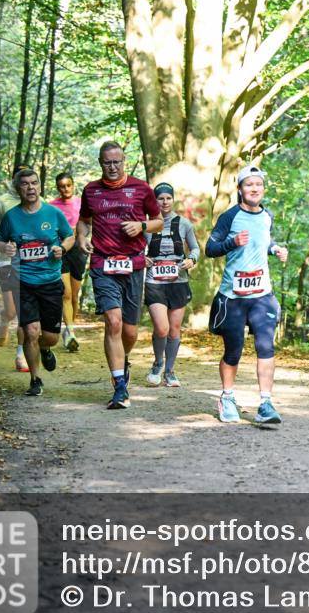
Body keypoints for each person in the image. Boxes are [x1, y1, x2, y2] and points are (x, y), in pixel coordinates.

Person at [76, 141, 161, 409]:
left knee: (130, 331)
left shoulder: (141, 189)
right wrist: (81, 237)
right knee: (112, 321)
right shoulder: (91, 190)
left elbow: (159, 221)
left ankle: (122, 359)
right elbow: (84, 220)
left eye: (117, 162)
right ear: (100, 163)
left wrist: (142, 225)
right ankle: (120, 386)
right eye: (107, 163)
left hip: (133, 265)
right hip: (103, 264)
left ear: (124, 161)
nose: (112, 167)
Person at [205, 164, 288, 424]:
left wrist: (276, 249)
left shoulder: (267, 216)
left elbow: (264, 240)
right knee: (234, 351)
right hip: (234, 297)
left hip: (262, 295)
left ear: (263, 189)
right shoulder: (230, 217)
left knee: (266, 346)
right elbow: (210, 248)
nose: (254, 189)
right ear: (240, 189)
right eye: (249, 184)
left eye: (258, 185)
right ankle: (227, 397)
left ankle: (265, 403)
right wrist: (231, 243)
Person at [0, 169, 73, 397]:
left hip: (49, 281)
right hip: (23, 281)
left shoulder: (53, 213)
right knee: (30, 331)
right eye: (25, 184)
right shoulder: (11, 216)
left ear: (40, 187)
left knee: (50, 337)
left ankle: (46, 349)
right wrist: (4, 247)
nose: (30, 187)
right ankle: (35, 379)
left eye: (34, 183)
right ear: (18, 189)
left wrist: (62, 248)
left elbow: (70, 236)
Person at [143, 183, 200, 388]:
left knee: (174, 330)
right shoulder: (147, 224)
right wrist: (143, 257)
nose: (164, 202)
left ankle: (170, 371)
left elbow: (195, 248)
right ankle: (158, 364)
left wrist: (191, 260)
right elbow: (136, 248)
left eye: (168, 198)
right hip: (154, 281)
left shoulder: (184, 224)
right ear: (154, 201)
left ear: (172, 199)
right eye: (160, 198)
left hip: (179, 281)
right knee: (161, 328)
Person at [0, 165, 29, 371]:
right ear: (14, 181)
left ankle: (21, 355)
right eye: (22, 179)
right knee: (11, 311)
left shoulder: (39, 202)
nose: (27, 184)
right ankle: (4, 320)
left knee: (24, 313)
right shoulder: (3, 201)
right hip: (6, 261)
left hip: (29, 263)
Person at [49, 172, 85, 352]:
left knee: (75, 295)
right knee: (66, 294)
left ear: (73, 185)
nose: (66, 189)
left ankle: (70, 329)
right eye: (62, 186)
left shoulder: (81, 203)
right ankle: (70, 332)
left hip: (78, 250)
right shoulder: (51, 206)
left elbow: (88, 224)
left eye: (68, 185)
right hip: (60, 250)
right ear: (58, 188)